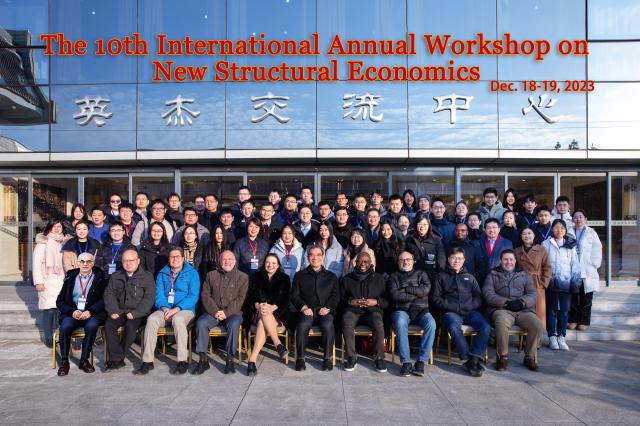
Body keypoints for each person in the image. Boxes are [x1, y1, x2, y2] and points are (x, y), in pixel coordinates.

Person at [136, 248, 200, 375]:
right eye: (172, 257)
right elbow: (158, 295)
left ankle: (182, 360)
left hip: (185, 309)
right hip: (165, 308)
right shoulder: (162, 273)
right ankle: (147, 361)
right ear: (168, 259)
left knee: (178, 319)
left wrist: (177, 309)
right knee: (152, 319)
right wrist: (165, 309)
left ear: (183, 258)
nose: (175, 259)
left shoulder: (192, 273)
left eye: (177, 256)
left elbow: (193, 296)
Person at [483, 250, 544, 372]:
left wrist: (522, 302)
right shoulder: (493, 275)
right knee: (501, 322)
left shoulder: (524, 275)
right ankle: (503, 356)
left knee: (537, 325)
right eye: (505, 259)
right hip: (502, 309)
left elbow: (533, 294)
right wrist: (505, 302)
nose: (508, 262)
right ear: (501, 261)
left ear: (515, 261)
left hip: (523, 310)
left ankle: (529, 356)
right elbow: (488, 294)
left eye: (511, 259)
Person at [433, 248, 490, 377]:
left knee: (485, 327)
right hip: (450, 313)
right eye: (454, 258)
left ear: (464, 260)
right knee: (454, 327)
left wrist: (470, 306)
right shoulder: (441, 276)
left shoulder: (470, 277)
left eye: (459, 258)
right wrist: (451, 306)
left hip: (470, 312)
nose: (456, 261)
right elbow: (436, 299)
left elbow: (478, 297)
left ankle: (475, 357)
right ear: (448, 259)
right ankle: (467, 358)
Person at [194, 250, 249, 375]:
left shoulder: (243, 277)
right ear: (219, 261)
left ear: (235, 261)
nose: (227, 262)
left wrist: (226, 312)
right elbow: (205, 295)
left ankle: (229, 360)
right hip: (213, 312)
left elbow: (241, 299)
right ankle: (203, 360)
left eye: (230, 259)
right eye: (224, 259)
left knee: (234, 324)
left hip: (233, 313)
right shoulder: (210, 275)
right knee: (201, 323)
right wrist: (215, 312)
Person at [103, 249, 155, 370]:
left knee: (130, 326)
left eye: (131, 260)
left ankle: (117, 358)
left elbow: (149, 299)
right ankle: (117, 358)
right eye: (125, 261)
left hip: (138, 313)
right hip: (120, 311)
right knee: (109, 325)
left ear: (138, 261)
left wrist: (135, 313)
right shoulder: (116, 276)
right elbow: (109, 294)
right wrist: (114, 310)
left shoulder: (147, 276)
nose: (128, 263)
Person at [55, 252, 106, 376]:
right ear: (77, 263)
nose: (85, 264)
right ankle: (64, 361)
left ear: (93, 263)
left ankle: (84, 360)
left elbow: (105, 300)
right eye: (82, 261)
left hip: (90, 313)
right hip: (73, 313)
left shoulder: (100, 278)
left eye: (88, 261)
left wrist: (90, 311)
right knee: (65, 327)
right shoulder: (70, 278)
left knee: (92, 326)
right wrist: (72, 311)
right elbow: (59, 301)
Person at [291, 245, 339, 372]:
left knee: (328, 325)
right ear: (307, 257)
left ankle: (327, 359)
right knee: (302, 325)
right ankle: (301, 359)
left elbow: (336, 296)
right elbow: (294, 295)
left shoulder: (331, 276)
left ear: (322, 257)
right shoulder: (299, 275)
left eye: (318, 255)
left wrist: (328, 307)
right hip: (307, 310)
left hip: (324, 311)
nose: (315, 257)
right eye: (311, 255)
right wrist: (303, 307)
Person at [388, 251, 436, 377]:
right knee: (400, 322)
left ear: (413, 261)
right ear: (398, 262)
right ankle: (406, 362)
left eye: (408, 259)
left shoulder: (422, 274)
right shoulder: (394, 277)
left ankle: (421, 361)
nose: (405, 262)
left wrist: (406, 289)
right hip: (402, 310)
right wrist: (417, 294)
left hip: (421, 310)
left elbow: (425, 290)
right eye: (402, 260)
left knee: (431, 323)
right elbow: (395, 295)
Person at [341, 252, 388, 373]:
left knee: (378, 322)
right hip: (353, 310)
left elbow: (387, 300)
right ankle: (352, 357)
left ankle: (379, 357)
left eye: (366, 261)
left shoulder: (379, 279)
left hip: (372, 310)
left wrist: (376, 301)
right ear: (355, 263)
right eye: (360, 261)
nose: (363, 264)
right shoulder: (347, 279)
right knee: (347, 320)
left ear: (371, 263)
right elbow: (340, 299)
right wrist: (351, 301)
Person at [245, 254, 290, 375]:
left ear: (278, 265)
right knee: (263, 313)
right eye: (268, 262)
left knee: (262, 320)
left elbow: (285, 298)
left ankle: (252, 360)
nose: (270, 265)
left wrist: (273, 307)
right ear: (264, 264)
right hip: (258, 311)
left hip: (278, 314)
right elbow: (251, 296)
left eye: (274, 263)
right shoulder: (257, 276)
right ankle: (278, 344)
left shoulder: (284, 278)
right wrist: (258, 306)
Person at [542, 219, 581, 351]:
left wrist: (575, 283)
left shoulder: (570, 245)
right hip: (551, 283)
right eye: (556, 228)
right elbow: (543, 264)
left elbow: (575, 265)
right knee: (551, 310)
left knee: (564, 311)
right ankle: (552, 337)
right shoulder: (546, 244)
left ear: (565, 230)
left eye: (562, 228)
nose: (559, 230)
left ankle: (561, 336)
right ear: (552, 229)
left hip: (566, 282)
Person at [33, 220, 67, 347]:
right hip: (47, 280)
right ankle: (48, 337)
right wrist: (38, 282)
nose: (57, 229)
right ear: (49, 228)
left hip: (61, 280)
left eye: (59, 226)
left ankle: (60, 335)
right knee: (49, 310)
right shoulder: (43, 243)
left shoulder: (64, 242)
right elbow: (36, 264)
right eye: (54, 226)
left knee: (60, 309)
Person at [570, 209, 603, 332]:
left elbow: (597, 248)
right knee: (573, 297)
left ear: (585, 219)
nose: (578, 219)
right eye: (575, 217)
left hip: (587, 269)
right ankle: (573, 320)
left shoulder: (591, 233)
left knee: (586, 297)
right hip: (573, 269)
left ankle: (584, 321)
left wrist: (594, 264)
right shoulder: (568, 232)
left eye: (581, 217)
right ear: (572, 219)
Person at [515, 227, 552, 330]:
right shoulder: (517, 251)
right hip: (522, 285)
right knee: (524, 311)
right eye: (524, 234)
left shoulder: (541, 249)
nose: (527, 236)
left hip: (537, 284)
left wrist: (544, 283)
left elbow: (547, 267)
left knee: (538, 311)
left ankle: (538, 336)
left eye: (529, 233)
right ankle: (524, 336)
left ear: (534, 235)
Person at [404, 214, 446, 283]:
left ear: (429, 225)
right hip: (414, 277)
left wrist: (439, 276)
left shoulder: (436, 240)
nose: (422, 227)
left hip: (432, 277)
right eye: (420, 224)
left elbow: (441, 261)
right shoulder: (409, 240)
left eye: (425, 224)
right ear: (416, 225)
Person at [478, 218, 513, 283]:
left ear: (499, 229)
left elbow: (510, 262)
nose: (491, 230)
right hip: (481, 279)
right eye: (488, 228)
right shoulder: (478, 243)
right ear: (485, 230)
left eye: (494, 227)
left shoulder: (507, 243)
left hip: (501, 279)